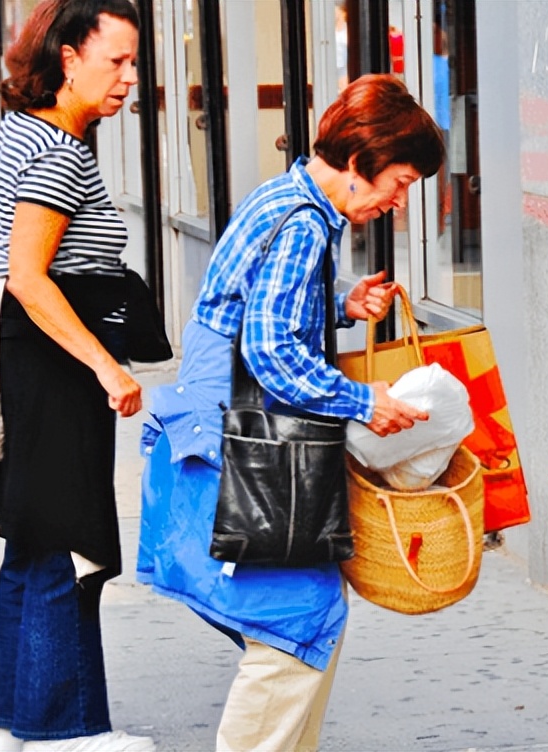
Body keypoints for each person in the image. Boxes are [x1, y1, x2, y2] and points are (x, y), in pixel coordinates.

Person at [136, 73, 444, 752]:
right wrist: (365, 401)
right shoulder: (304, 225)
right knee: (296, 623)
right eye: (400, 182)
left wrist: (339, 304)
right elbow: (270, 350)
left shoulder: (284, 199)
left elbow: (249, 305)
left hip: (218, 447)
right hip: (242, 456)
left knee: (303, 623)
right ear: (360, 161)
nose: (399, 201)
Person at [0, 1, 165, 750]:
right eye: (117, 60)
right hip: (58, 363)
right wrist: (107, 367)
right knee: (67, 544)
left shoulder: (17, 132)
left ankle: (11, 729)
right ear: (69, 58)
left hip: (23, 359)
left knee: (32, 544)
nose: (129, 77)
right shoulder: (62, 152)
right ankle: (66, 732)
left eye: (134, 61)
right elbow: (29, 276)